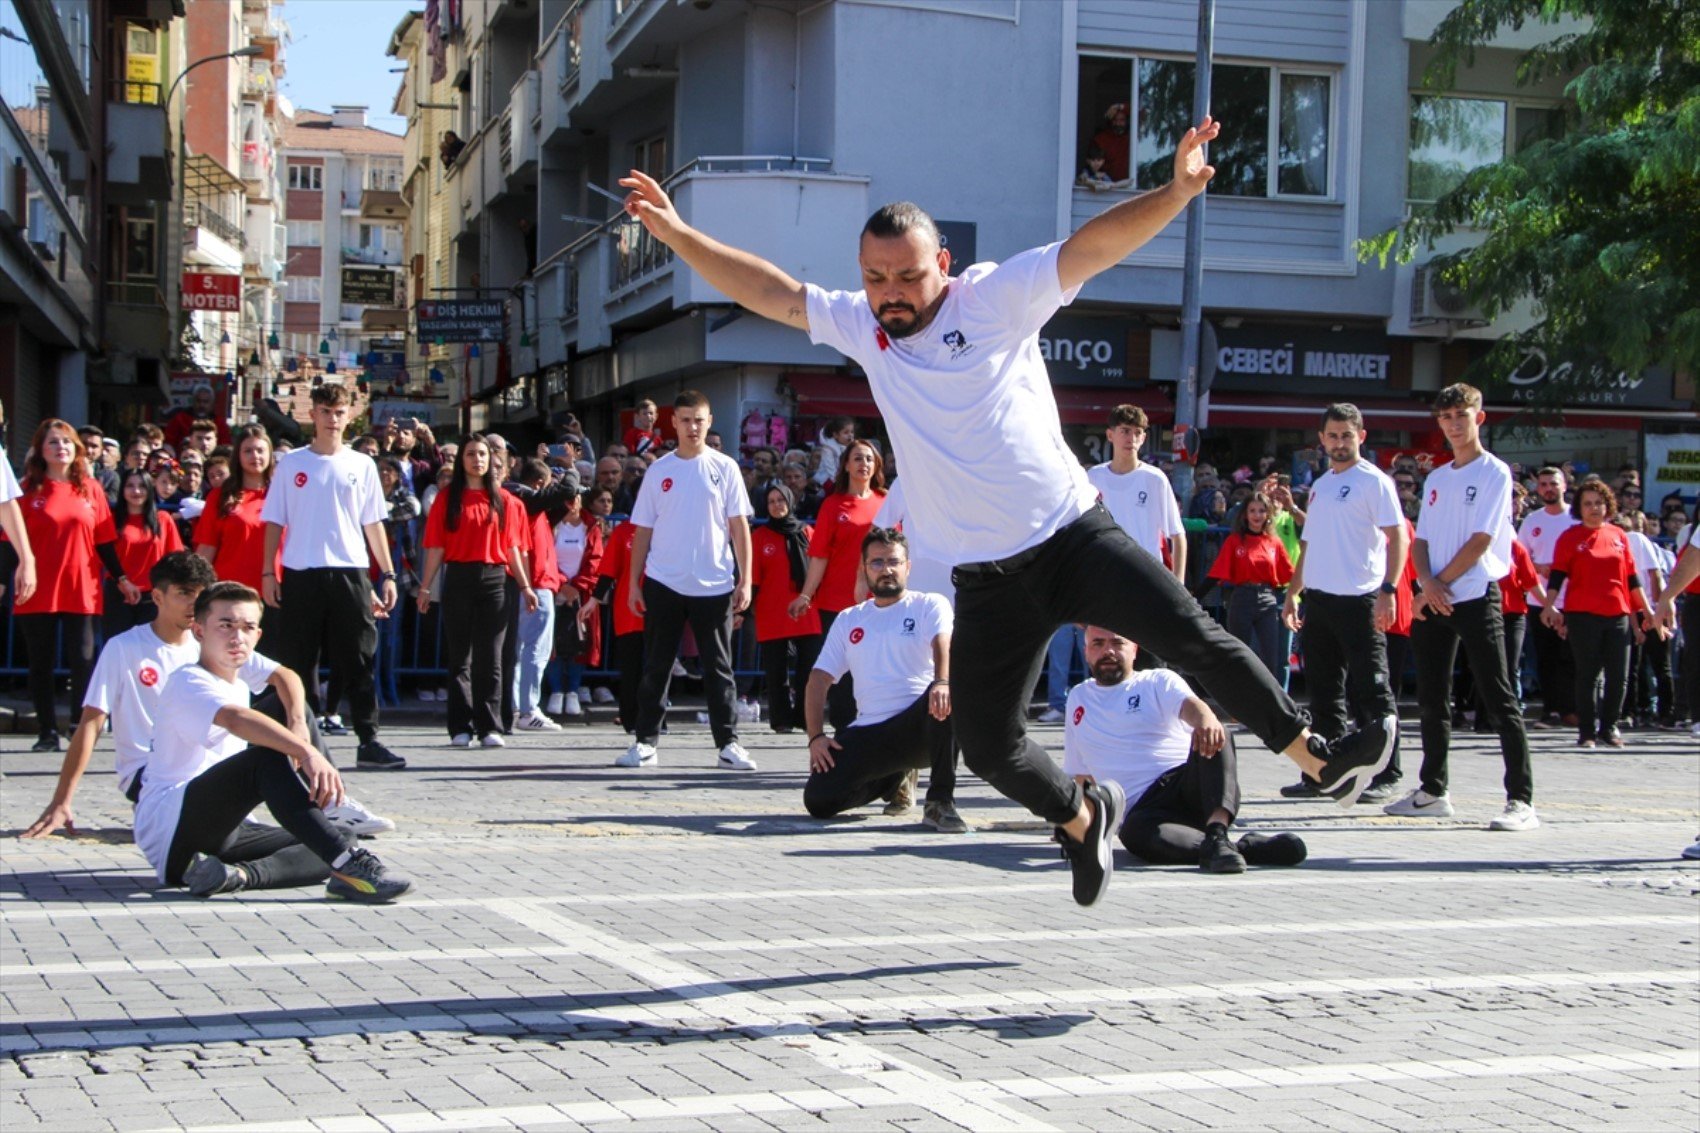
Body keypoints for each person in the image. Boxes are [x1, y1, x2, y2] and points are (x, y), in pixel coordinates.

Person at [617, 117, 1395, 907]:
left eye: (907, 278)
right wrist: (679, 233)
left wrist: (1177, 190)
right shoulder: (861, 324)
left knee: (1191, 633)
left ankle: (1319, 757)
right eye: (875, 278)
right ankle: (1082, 817)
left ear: (942, 266)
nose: (889, 294)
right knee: (988, 742)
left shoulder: (993, 297)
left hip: (1071, 534)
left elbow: (1092, 247)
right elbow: (771, 291)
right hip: (988, 576)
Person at [131, 582, 411, 901]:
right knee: (267, 759)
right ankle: (351, 867)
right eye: (225, 625)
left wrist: (297, 726)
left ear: (258, 636)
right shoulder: (188, 680)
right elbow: (235, 718)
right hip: (172, 829)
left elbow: (286, 676)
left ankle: (236, 876)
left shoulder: (236, 659)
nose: (237, 636)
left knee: (341, 837)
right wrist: (304, 751)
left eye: (247, 627)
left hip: (227, 829)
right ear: (198, 632)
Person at [1386, 384, 1537, 831]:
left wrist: (1438, 583)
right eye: (1447, 416)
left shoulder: (1494, 472)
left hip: (1473, 593)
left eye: (1461, 414)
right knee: (1432, 699)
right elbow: (1422, 540)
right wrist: (1425, 584)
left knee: (1499, 696)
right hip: (1435, 596)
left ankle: (1521, 800)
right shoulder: (1438, 477)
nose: (1454, 423)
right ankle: (1433, 790)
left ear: (1479, 418)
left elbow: (1483, 540)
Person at [1064, 626, 1307, 873]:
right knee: (1135, 835)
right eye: (1098, 644)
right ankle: (1232, 847)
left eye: (1117, 643)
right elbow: (1082, 776)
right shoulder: (1078, 697)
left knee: (1218, 732)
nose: (1109, 651)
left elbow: (1193, 707)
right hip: (1143, 812)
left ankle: (1217, 829)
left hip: (1185, 784)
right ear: (1086, 652)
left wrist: (1205, 720)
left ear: (1134, 649)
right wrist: (1077, 823)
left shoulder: (1157, 680)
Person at [260, 383, 406, 771]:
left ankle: (368, 740)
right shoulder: (292, 464)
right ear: (314, 415)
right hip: (300, 570)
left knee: (359, 657)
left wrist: (387, 574)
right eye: (325, 411)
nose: (332, 419)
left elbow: (373, 522)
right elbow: (274, 520)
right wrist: (267, 572)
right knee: (297, 661)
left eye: (339, 412)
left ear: (348, 414)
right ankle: (299, 741)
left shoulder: (362, 464)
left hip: (350, 570)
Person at [619, 390, 756, 770]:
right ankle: (645, 741)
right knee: (657, 665)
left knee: (718, 668)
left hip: (714, 583)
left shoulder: (726, 467)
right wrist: (633, 582)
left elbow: (739, 527)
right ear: (674, 423)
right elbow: (642, 530)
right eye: (685, 420)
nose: (692, 427)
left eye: (699, 419)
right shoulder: (659, 470)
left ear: (709, 420)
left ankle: (728, 743)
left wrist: (746, 580)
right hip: (663, 581)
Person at [1279, 404, 1407, 803]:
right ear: (1321, 440)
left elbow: (1398, 537)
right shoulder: (1321, 484)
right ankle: (1326, 772)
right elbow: (1309, 544)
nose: (1339, 443)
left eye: (1346, 436)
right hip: (1319, 599)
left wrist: (1388, 589)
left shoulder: (1374, 482)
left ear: (1361, 437)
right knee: (1323, 693)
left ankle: (1388, 773)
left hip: (1360, 599)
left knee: (1371, 691)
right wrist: (1292, 593)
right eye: (1332, 436)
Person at [804, 528, 964, 834]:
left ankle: (940, 802)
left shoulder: (929, 603)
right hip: (870, 729)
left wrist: (942, 682)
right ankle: (892, 780)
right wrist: (815, 737)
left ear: (908, 566)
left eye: (894, 561)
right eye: (877, 563)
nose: (886, 569)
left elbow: (942, 643)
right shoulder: (850, 618)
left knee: (948, 693)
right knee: (819, 800)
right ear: (864, 569)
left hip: (921, 723)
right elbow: (818, 679)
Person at [9, 419, 132, 752]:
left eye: (66, 442)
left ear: (76, 449)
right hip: (37, 585)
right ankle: (47, 731)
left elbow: (105, 540)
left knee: (84, 657)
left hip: (82, 583)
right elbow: (8, 541)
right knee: (41, 661)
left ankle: (80, 727)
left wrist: (121, 577)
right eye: (53, 442)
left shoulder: (90, 488)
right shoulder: (25, 489)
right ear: (41, 450)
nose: (60, 447)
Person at [417, 435, 539, 747]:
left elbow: (513, 548)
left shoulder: (505, 500)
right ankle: (460, 725)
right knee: (460, 656)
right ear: (462, 461)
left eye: (482, 454)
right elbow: (436, 547)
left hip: (495, 579)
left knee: (493, 657)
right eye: (471, 454)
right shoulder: (447, 499)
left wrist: (525, 586)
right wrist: (426, 586)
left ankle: (491, 727)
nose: (477, 460)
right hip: (458, 576)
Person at [1541, 482, 1664, 748]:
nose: (1594, 508)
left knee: (1619, 675)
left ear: (1608, 505)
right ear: (1579, 508)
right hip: (1582, 614)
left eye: (1599, 502)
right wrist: (1550, 605)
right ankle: (1587, 732)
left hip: (1617, 613)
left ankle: (1609, 728)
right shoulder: (1570, 537)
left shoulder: (1619, 535)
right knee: (1587, 674)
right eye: (1587, 503)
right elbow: (1558, 575)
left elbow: (1631, 578)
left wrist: (1647, 610)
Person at [788, 438, 887, 732]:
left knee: (875, 669)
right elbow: (819, 556)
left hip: (879, 603)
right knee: (842, 675)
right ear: (846, 464)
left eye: (869, 459)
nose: (864, 464)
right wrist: (806, 594)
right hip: (835, 603)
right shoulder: (833, 504)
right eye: (857, 458)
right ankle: (845, 735)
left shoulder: (886, 502)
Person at [749, 483, 823, 734]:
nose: (777, 505)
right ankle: (780, 720)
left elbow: (818, 568)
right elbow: (754, 578)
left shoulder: (807, 532)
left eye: (781, 500)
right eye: (771, 501)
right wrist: (744, 611)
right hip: (772, 611)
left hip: (806, 609)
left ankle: (804, 719)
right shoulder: (759, 537)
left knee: (808, 669)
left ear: (790, 502)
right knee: (776, 672)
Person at [1197, 492, 1294, 683]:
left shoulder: (1273, 542)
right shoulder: (1234, 540)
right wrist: (1194, 596)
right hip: (1242, 597)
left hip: (1267, 599)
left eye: (1261, 511)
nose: (1257, 515)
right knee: (1239, 654)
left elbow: (1289, 574)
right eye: (1252, 511)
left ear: (1268, 514)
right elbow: (1216, 573)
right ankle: (1239, 701)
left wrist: (1303, 596)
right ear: (1245, 515)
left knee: (1270, 657)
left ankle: (1270, 704)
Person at [1518, 466, 1580, 728]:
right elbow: (1521, 561)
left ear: (1564, 486)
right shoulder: (1532, 521)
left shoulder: (1576, 519)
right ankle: (1550, 710)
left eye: (1553, 484)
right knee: (1546, 657)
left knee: (1573, 658)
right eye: (1543, 484)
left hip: (1574, 600)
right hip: (1539, 601)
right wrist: (1539, 569)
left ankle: (1573, 709)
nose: (1548, 489)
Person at [539, 477, 604, 722]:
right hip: (554, 590)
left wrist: (577, 587)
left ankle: (573, 691)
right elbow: (544, 556)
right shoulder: (549, 524)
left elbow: (596, 560)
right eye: (566, 497)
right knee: (555, 642)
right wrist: (561, 584)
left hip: (582, 594)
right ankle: (556, 691)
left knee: (580, 642)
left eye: (575, 497)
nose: (571, 502)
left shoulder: (592, 526)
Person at [108, 468, 185, 636]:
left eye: (142, 486)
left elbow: (174, 558)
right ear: (122, 489)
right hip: (119, 594)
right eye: (130, 486)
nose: (136, 491)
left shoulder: (163, 519)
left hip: (154, 596)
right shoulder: (111, 520)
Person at [595, 517, 646, 731]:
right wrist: (593, 599)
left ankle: (655, 719)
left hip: (662, 610)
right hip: (629, 610)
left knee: (657, 669)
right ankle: (630, 719)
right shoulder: (623, 531)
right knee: (631, 668)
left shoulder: (669, 529)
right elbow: (609, 570)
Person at [1090, 102, 1131, 181]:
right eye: (1115, 120)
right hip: (1106, 186)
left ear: (1127, 121)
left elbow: (1142, 113)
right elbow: (1092, 163)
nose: (1118, 123)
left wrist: (1120, 107)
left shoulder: (1131, 139)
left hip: (1128, 187)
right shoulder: (1100, 139)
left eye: (1122, 120)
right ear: (1111, 121)